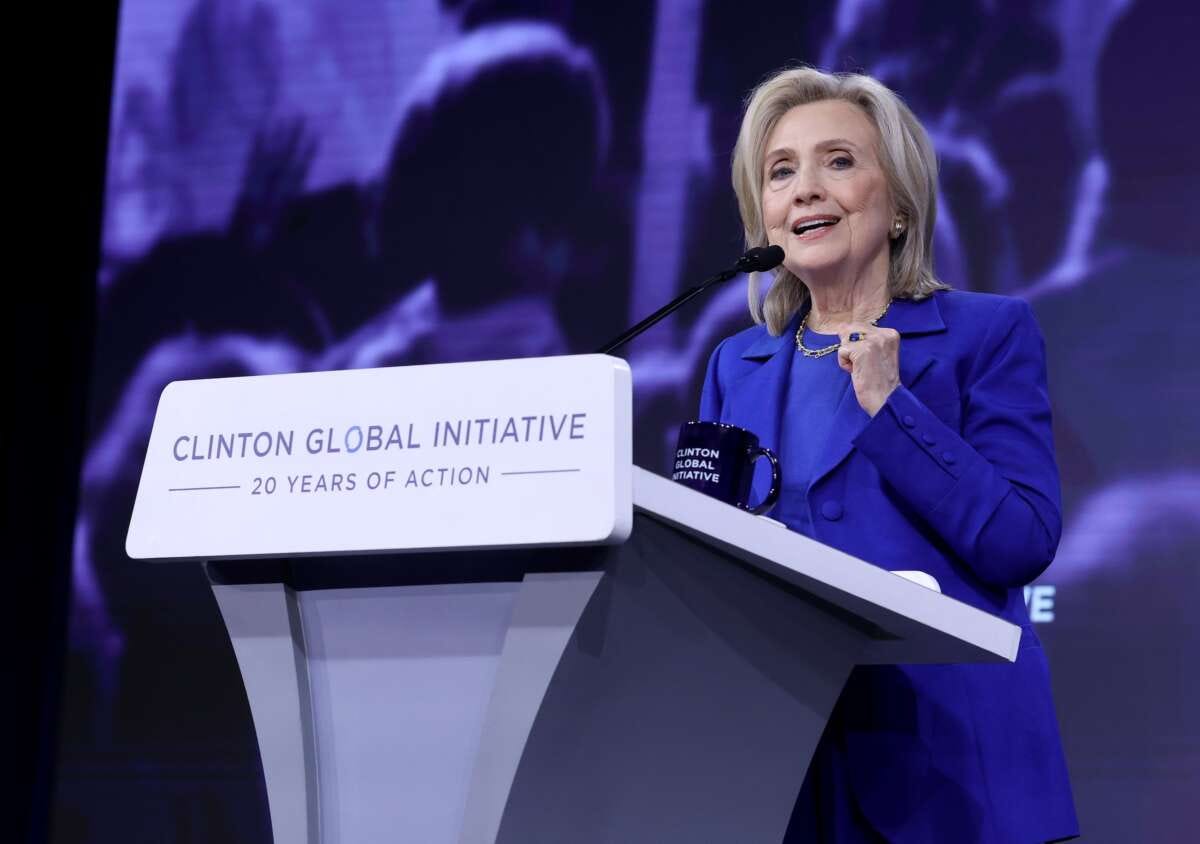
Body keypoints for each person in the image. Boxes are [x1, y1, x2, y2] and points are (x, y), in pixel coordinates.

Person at [700, 67, 1078, 843]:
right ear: (762, 217)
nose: (805, 189)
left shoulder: (988, 335)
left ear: (900, 205)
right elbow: (705, 561)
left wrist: (890, 407)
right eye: (781, 172)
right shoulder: (735, 368)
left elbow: (1021, 539)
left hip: (953, 782)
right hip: (784, 777)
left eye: (838, 161)